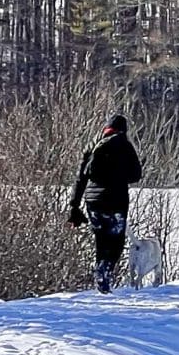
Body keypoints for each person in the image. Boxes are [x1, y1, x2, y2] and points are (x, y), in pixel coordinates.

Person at [67, 113, 142, 293]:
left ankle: (101, 275)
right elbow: (136, 175)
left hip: (93, 200)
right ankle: (105, 270)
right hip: (116, 199)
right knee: (116, 240)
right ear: (124, 129)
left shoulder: (93, 145)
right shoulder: (124, 145)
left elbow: (80, 178)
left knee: (101, 239)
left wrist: (74, 205)